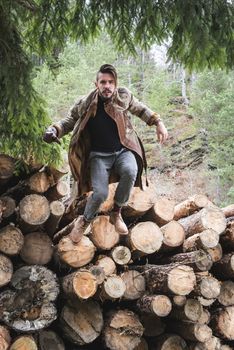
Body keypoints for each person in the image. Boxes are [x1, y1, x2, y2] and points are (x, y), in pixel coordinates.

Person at [43, 64, 168, 242]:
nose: (107, 86)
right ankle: (84, 221)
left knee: (130, 171)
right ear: (97, 84)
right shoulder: (86, 102)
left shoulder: (124, 96)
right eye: (103, 82)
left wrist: (158, 122)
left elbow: (141, 109)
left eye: (110, 82)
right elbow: (70, 120)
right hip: (98, 156)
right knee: (100, 194)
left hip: (123, 150)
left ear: (115, 84)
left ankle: (116, 212)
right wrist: (55, 130)